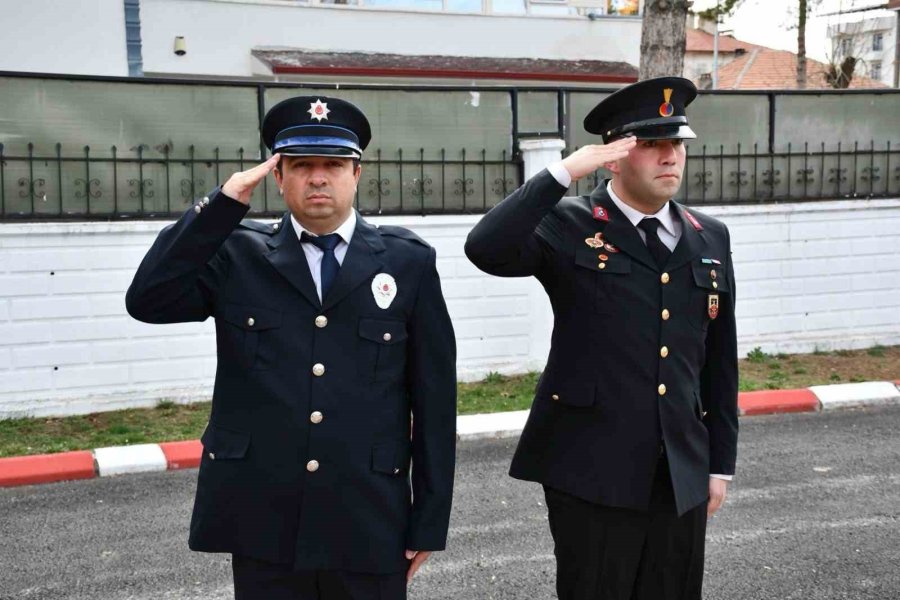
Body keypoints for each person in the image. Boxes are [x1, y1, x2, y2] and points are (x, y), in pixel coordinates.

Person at [126, 96, 457, 600]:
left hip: (368, 514)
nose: (318, 178)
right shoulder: (236, 253)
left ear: (357, 173)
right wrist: (221, 205)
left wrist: (428, 521)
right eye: (301, 166)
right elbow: (148, 298)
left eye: (333, 165)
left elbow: (434, 400)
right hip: (264, 517)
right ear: (278, 177)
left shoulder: (406, 261)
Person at [465, 77, 738, 600]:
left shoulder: (710, 236)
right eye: (651, 145)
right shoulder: (569, 223)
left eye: (676, 144)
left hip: (678, 470)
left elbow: (718, 361)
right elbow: (486, 248)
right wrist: (563, 172)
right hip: (589, 468)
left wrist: (719, 463)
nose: (669, 157)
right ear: (613, 158)